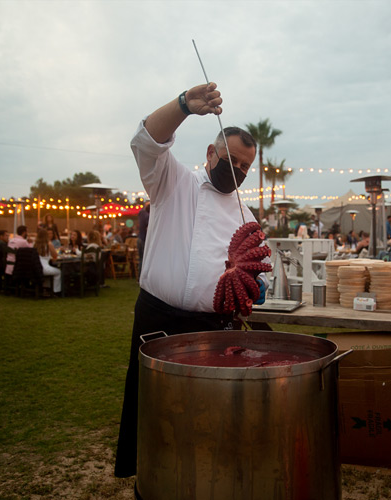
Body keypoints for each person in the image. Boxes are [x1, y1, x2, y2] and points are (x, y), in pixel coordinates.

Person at [115, 82, 268, 478]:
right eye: (231, 159)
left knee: (205, 424)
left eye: (245, 167)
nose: (237, 170)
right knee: (156, 420)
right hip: (158, 322)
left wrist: (256, 285)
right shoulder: (173, 182)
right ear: (210, 153)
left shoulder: (246, 215)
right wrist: (185, 105)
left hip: (214, 328)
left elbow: (257, 265)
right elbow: (145, 140)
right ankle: (151, 480)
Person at [34, 228, 61, 295]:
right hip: (44, 268)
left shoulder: (35, 244)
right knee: (58, 272)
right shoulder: (49, 244)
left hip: (36, 268)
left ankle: (46, 288)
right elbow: (55, 255)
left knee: (50, 271)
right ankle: (56, 291)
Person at [136, 202, 150, 276]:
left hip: (139, 238)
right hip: (144, 239)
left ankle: (139, 277)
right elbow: (148, 228)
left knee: (141, 259)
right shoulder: (148, 216)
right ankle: (143, 276)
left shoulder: (141, 213)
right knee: (145, 259)